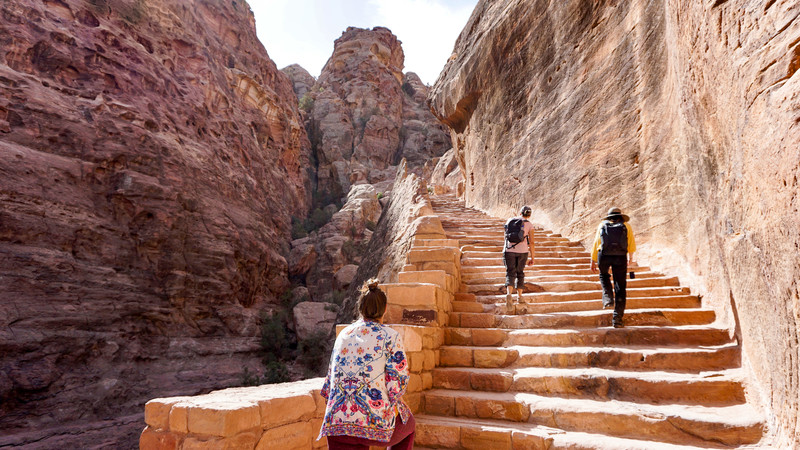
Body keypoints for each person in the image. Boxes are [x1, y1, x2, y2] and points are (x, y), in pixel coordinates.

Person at [318, 279, 414, 450]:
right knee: (409, 424)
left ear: (360, 308)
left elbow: (328, 384)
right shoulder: (390, 337)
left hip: (336, 424)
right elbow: (396, 387)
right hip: (373, 425)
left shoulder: (343, 334)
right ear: (385, 309)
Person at [590, 207, 636, 328]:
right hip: (620, 256)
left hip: (603, 256)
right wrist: (630, 258)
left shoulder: (602, 224)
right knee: (620, 286)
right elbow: (631, 243)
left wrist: (593, 260)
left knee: (603, 275)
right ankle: (617, 319)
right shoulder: (626, 225)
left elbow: (596, 243)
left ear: (608, 216)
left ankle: (608, 299)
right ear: (620, 216)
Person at [503, 205, 535, 309]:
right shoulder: (529, 224)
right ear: (529, 215)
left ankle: (509, 294)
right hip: (523, 251)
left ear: (520, 213)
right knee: (520, 273)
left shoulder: (509, 221)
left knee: (510, 272)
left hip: (508, 250)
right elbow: (532, 243)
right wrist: (533, 257)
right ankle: (520, 296)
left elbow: (506, 236)